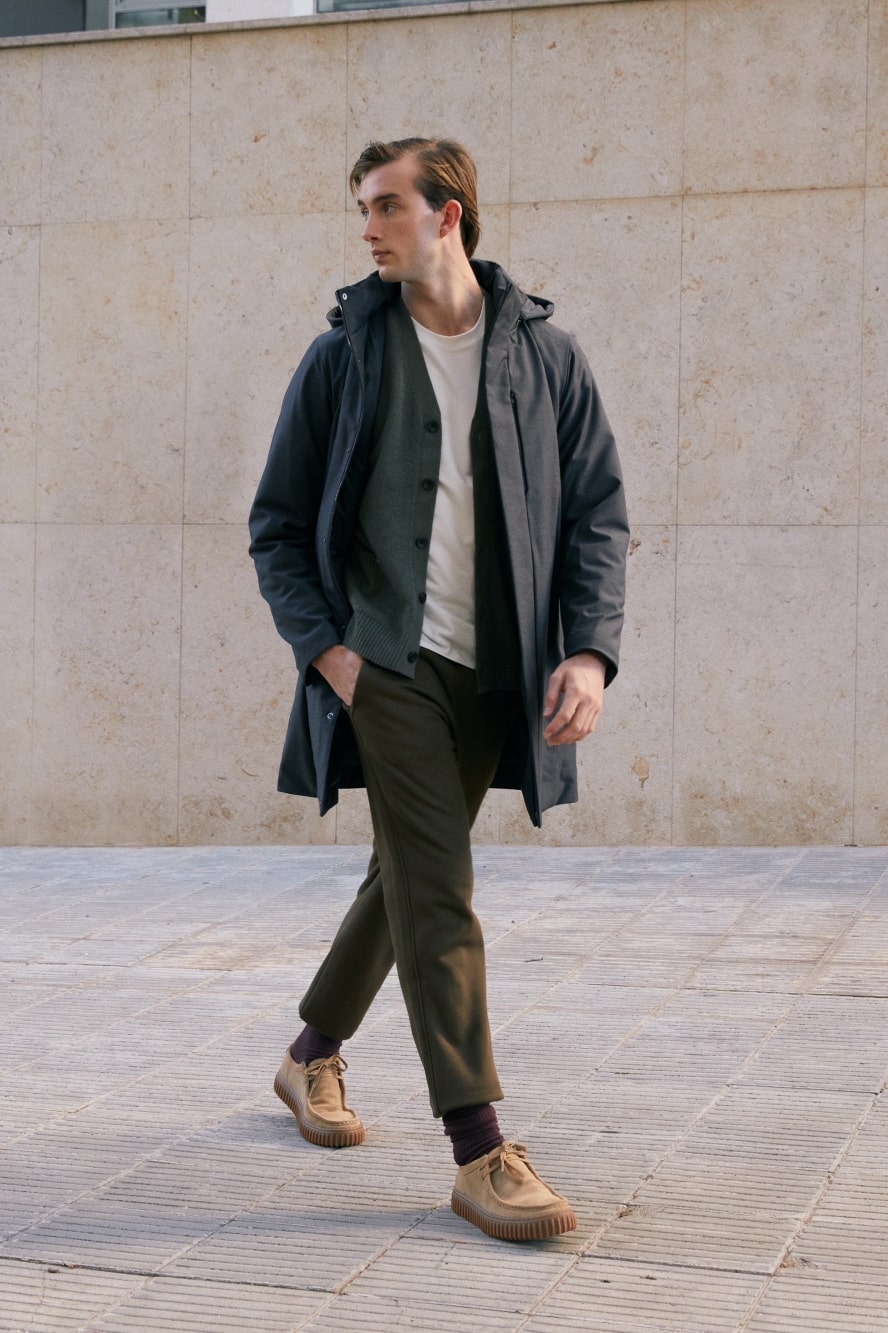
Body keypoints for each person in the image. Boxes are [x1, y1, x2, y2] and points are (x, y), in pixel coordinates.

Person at [249, 137, 628, 1242]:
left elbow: (598, 513)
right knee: (442, 889)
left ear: (447, 214)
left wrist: (588, 652)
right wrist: (331, 653)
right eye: (363, 210)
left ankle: (310, 1054)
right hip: (387, 665)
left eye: (385, 206)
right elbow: (276, 526)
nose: (367, 228)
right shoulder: (343, 359)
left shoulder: (545, 357)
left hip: (498, 670)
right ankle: (479, 1146)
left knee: (408, 875)